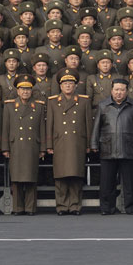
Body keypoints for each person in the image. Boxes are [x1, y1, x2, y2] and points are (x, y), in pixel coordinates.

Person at [90, 79, 133, 215]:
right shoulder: (103, 105)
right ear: (111, 90)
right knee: (106, 182)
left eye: (122, 90)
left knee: (131, 181)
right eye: (116, 90)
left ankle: (132, 207)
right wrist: (94, 143)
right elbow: (97, 126)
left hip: (129, 146)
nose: (119, 93)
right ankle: (106, 208)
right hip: (108, 147)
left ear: (127, 91)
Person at [45, 75, 92, 215]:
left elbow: (88, 124)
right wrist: (49, 144)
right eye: (65, 83)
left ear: (75, 85)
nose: (68, 86)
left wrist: (89, 144)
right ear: (60, 86)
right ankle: (61, 206)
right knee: (60, 176)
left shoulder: (84, 101)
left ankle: (75, 206)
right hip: (60, 142)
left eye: (70, 83)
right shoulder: (53, 102)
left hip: (77, 142)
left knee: (76, 176)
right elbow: (50, 125)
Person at [0, 80, 46, 215]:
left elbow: (41, 129)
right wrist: (5, 148)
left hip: (32, 145)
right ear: (17, 91)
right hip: (15, 146)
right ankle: (18, 207)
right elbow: (5, 128)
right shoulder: (9, 106)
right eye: (22, 89)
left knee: (31, 178)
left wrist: (42, 148)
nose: (25, 92)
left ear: (32, 91)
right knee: (16, 178)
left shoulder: (38, 106)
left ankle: (30, 207)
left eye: (28, 89)